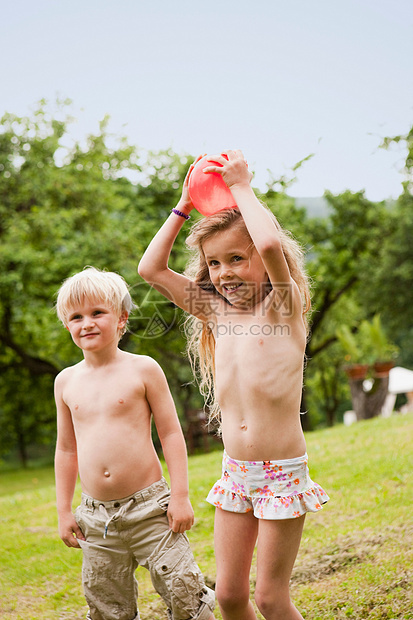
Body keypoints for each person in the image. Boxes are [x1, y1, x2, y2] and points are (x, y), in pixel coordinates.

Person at [138, 150, 329, 620]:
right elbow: (151, 269)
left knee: (270, 598)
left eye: (236, 259)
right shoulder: (217, 312)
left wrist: (242, 187)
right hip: (235, 474)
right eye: (215, 264)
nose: (225, 273)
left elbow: (268, 245)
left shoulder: (285, 308)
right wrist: (184, 203)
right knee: (228, 597)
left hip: (281, 473)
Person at [54, 267, 215, 620]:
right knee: (107, 605)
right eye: (76, 317)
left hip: (151, 509)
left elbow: (171, 434)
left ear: (122, 318)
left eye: (98, 313)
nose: (87, 323)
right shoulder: (65, 382)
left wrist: (180, 495)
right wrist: (65, 510)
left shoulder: (143, 369)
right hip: (97, 520)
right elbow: (66, 448)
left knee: (184, 591)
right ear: (67, 325)